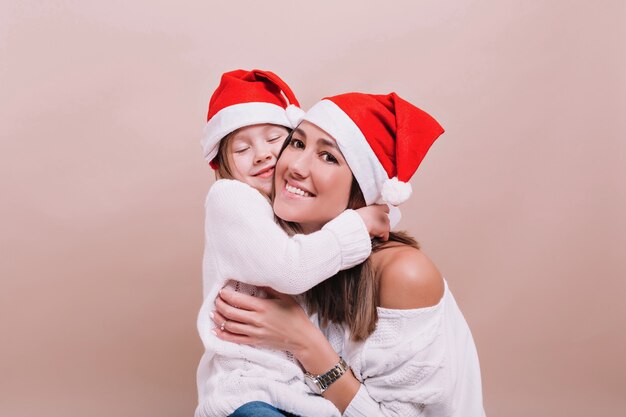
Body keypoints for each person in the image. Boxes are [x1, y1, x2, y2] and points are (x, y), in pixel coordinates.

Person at [212, 92, 486, 416]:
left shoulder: (403, 273)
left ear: (361, 187)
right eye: (297, 144)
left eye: (328, 157)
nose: (295, 166)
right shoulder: (286, 251)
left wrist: (303, 340)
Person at [195, 70, 391, 417]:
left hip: (302, 394)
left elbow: (332, 223)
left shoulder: (287, 209)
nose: (261, 155)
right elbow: (291, 269)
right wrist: (361, 224)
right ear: (224, 163)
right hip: (250, 393)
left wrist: (377, 214)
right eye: (242, 148)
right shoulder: (230, 197)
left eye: (275, 139)